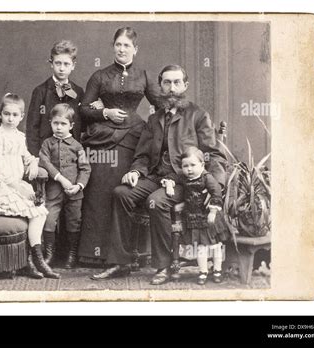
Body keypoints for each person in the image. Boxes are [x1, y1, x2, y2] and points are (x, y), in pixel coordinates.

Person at [91, 64, 227, 285]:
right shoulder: (154, 119)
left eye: (176, 82)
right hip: (155, 176)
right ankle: (122, 261)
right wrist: (136, 171)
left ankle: (162, 266)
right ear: (160, 86)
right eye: (166, 82)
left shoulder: (198, 115)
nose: (171, 88)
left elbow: (214, 154)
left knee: (156, 202)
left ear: (185, 85)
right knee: (121, 193)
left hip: (185, 181)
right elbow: (143, 155)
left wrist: (216, 188)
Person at [78, 27, 159, 265]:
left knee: (123, 192)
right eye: (118, 45)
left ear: (135, 49)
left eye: (126, 45)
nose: (121, 49)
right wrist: (105, 112)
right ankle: (94, 254)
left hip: (132, 139)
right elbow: (83, 109)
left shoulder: (143, 75)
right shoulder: (100, 76)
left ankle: (126, 254)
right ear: (113, 46)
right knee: (99, 193)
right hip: (101, 141)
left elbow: (161, 105)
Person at [0, 93, 60, 279]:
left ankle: (35, 259)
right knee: (36, 210)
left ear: (21, 117)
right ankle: (32, 262)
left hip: (15, 183)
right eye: (7, 114)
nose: (10, 119)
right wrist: (17, 186)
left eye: (15, 115)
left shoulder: (19, 136)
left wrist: (33, 163)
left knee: (41, 212)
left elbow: (26, 155)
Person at [162, 147, 228, 285]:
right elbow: (172, 177)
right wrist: (169, 184)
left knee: (215, 246)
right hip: (194, 218)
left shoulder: (207, 178)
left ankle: (217, 270)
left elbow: (216, 193)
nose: (189, 169)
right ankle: (203, 271)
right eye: (185, 166)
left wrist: (213, 212)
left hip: (210, 218)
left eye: (193, 165)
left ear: (202, 165)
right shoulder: (184, 178)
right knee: (200, 247)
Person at [39, 104, 91, 268]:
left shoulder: (77, 146)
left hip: (74, 193)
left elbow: (85, 168)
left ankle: (71, 255)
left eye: (63, 124)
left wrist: (79, 186)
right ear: (50, 123)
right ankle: (49, 254)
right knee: (48, 220)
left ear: (71, 125)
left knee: (73, 222)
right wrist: (60, 178)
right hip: (53, 191)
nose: (59, 127)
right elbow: (44, 161)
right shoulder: (47, 144)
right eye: (56, 123)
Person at [26, 40, 84, 157]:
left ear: (73, 65)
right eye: (58, 63)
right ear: (51, 63)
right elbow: (32, 128)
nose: (62, 68)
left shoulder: (78, 91)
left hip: (71, 152)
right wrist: (36, 156)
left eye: (66, 64)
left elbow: (81, 123)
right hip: (47, 151)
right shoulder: (40, 91)